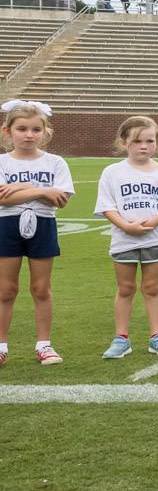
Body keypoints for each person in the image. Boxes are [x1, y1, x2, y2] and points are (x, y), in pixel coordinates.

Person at [94, 116, 158, 360]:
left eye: (149, 141)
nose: (144, 146)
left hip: (154, 239)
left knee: (151, 288)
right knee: (125, 288)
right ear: (124, 143)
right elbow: (106, 205)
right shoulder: (112, 172)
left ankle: (157, 337)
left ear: (157, 142)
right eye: (137, 141)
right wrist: (125, 226)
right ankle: (121, 339)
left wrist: (150, 223)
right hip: (124, 240)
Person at [0, 100, 74, 366]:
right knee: (6, 290)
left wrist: (21, 188)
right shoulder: (3, 162)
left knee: (41, 288)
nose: (29, 135)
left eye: (35, 129)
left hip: (43, 225)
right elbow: (1, 199)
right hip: (6, 226)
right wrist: (41, 189)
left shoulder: (55, 162)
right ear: (8, 131)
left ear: (45, 132)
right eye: (21, 129)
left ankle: (44, 345)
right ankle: (1, 346)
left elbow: (61, 199)